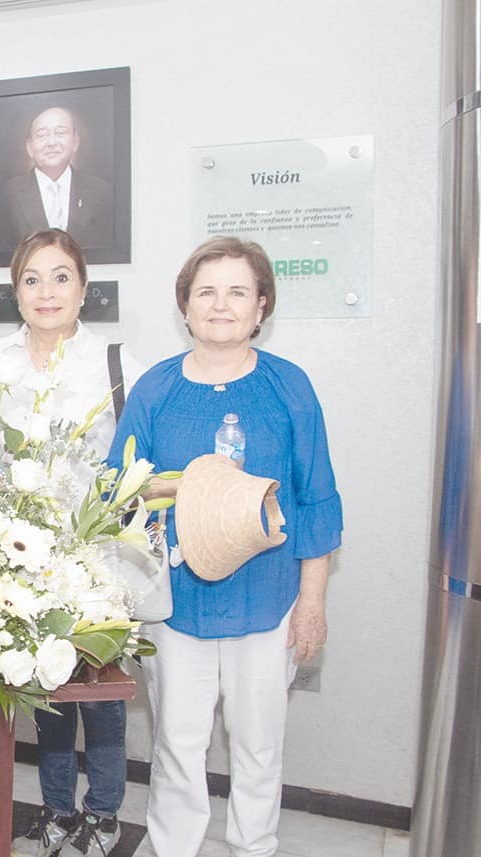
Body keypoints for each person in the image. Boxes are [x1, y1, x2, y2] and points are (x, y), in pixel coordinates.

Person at [109, 236, 342, 857]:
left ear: (261, 306)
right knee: (177, 744)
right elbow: (117, 489)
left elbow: (316, 496)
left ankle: (252, 847)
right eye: (205, 292)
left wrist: (312, 602)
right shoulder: (155, 390)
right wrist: (173, 492)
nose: (221, 305)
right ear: (185, 306)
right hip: (176, 604)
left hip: (269, 601)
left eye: (238, 291)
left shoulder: (289, 387)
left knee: (259, 745)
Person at [0, 229, 143, 857]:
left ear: (83, 289)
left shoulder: (117, 363)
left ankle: (105, 811)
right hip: (23, 555)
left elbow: (137, 460)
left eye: (60, 277)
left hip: (99, 554)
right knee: (46, 690)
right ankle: (58, 808)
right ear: (16, 291)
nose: (46, 291)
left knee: (103, 694)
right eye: (32, 278)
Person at [0, 106, 114, 254]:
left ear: (75, 142)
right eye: (42, 135)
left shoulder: (100, 191)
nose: (51, 142)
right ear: (29, 147)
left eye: (61, 132)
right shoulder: (8, 194)